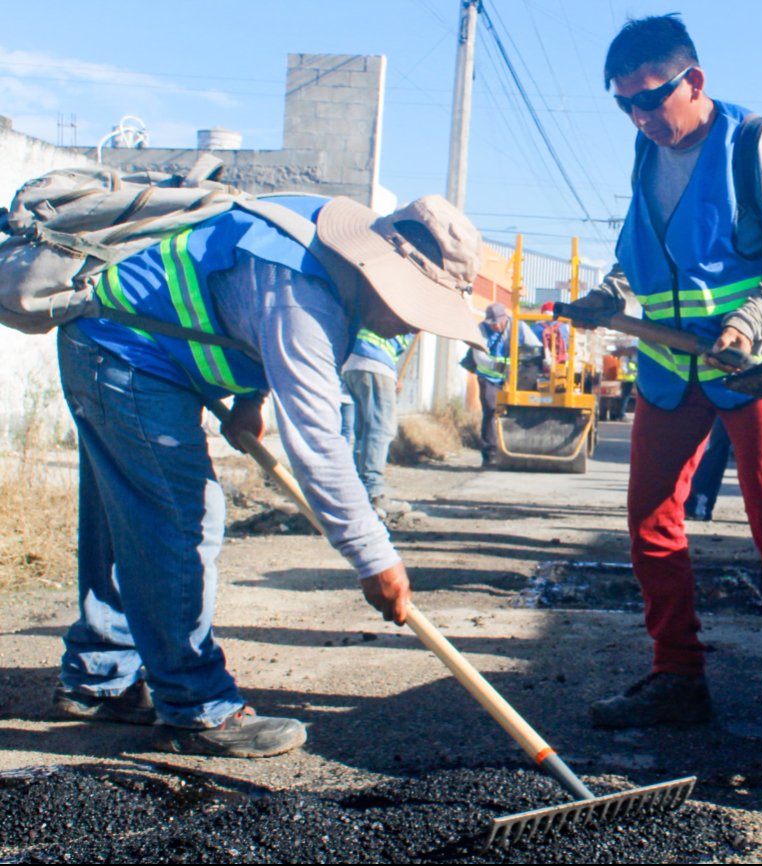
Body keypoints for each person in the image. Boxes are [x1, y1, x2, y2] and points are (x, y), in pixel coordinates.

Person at [50, 192, 485, 757]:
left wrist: (250, 396)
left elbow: (234, 294)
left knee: (127, 518)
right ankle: (196, 707)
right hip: (123, 351)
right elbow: (318, 445)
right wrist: (374, 556)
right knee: (182, 519)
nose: (408, 327)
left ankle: (99, 675)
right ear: (380, 271)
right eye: (413, 307)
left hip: (119, 345)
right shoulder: (303, 298)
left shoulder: (317, 244)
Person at [567, 14, 762, 758]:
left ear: (693, 81)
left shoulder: (758, 146)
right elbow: (642, 246)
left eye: (649, 98)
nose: (637, 115)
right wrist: (610, 291)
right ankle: (677, 677)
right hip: (668, 370)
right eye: (624, 104)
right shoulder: (646, 148)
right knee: (648, 520)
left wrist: (745, 328)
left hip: (750, 367)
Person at [342, 328, 414, 519]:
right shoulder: (409, 305)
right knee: (381, 430)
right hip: (373, 362)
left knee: (365, 431)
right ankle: (372, 494)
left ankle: (359, 492)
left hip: (356, 363)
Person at [468, 301, 541, 468]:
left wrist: (537, 363)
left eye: (496, 323)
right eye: (491, 324)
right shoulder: (481, 330)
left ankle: (515, 446)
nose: (494, 327)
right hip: (489, 377)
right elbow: (479, 357)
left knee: (517, 410)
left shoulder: (519, 328)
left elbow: (537, 347)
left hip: (515, 379)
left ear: (504, 319)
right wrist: (497, 366)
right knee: (491, 411)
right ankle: (490, 454)